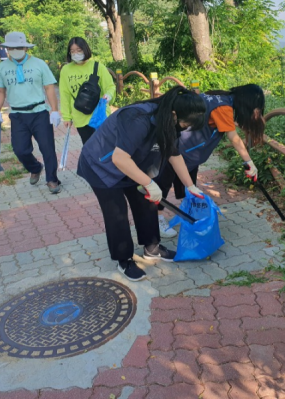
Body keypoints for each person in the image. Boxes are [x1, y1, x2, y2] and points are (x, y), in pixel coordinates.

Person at [77, 86, 206, 281]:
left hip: (132, 164)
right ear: (174, 114)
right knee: (117, 213)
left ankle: (152, 247)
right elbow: (119, 159)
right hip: (101, 165)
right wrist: (149, 182)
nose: (185, 128)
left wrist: (190, 185)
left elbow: (173, 153)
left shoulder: (169, 121)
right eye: (185, 123)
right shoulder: (138, 119)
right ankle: (124, 259)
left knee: (146, 204)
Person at [155, 84, 264, 237]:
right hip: (177, 149)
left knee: (188, 185)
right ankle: (156, 219)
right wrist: (249, 162)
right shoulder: (224, 108)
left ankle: (187, 213)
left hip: (188, 151)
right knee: (163, 184)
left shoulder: (219, 97)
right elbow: (233, 137)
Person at [0, 31, 63, 194]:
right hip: (17, 115)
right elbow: (0, 91)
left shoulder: (39, 64)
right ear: (7, 49)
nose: (15, 50)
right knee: (20, 150)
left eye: (18, 47)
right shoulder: (2, 68)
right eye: (12, 47)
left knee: (47, 148)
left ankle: (52, 179)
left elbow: (49, 87)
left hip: (39, 113)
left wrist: (54, 110)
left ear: (25, 47)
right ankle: (35, 167)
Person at [60, 37, 116, 145]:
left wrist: (108, 96)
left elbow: (110, 86)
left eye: (79, 50)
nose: (75, 53)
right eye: (72, 51)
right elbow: (64, 94)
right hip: (80, 116)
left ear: (85, 49)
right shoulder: (66, 70)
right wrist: (66, 116)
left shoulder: (98, 67)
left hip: (99, 115)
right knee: (89, 148)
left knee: (105, 146)